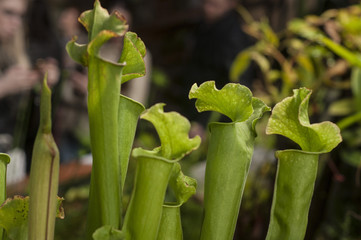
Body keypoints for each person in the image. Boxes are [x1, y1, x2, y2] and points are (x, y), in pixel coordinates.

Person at [0, 0, 59, 184]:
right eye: (9, 12)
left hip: (11, 157)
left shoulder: (16, 52)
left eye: (21, 15)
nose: (16, 22)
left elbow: (28, 122)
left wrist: (43, 84)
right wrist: (4, 86)